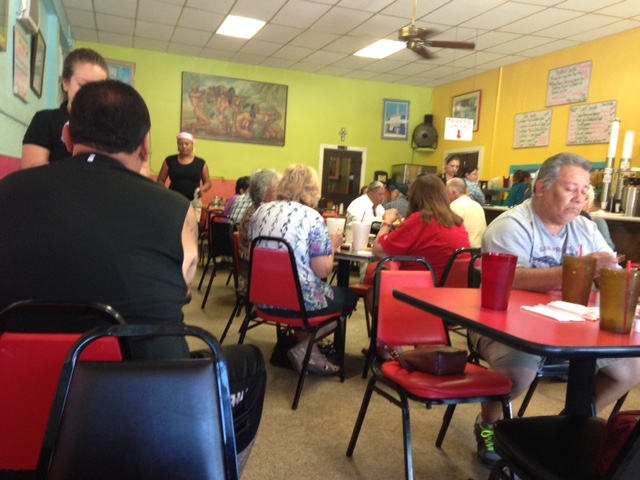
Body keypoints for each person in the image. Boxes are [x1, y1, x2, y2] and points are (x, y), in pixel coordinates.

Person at [1, 80, 265, 473]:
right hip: (146, 410)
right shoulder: (176, 211)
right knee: (249, 364)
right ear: (145, 146)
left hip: (16, 398)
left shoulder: (7, 191)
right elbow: (182, 289)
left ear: (69, 136)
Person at [470, 153, 640, 467]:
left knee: (631, 368)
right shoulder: (511, 226)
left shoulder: (584, 228)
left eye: (585, 190)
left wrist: (610, 273)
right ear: (542, 188)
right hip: (505, 324)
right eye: (571, 189)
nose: (580, 198)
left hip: (570, 326)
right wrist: (580, 270)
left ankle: (569, 425)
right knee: (518, 373)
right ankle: (489, 425)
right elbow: (511, 280)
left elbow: (608, 268)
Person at [249, 164, 358, 375]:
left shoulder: (260, 211)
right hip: (298, 303)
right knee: (347, 297)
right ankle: (305, 349)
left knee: (313, 294)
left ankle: (313, 354)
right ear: (312, 189)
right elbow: (324, 270)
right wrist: (333, 246)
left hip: (262, 298)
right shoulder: (312, 217)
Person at [372, 174, 471, 283]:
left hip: (424, 289)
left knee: (376, 279)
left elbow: (378, 249)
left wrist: (387, 221)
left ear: (415, 197)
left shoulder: (421, 219)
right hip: (456, 291)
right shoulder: (457, 222)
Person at [21, 48, 109, 168]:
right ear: (66, 83)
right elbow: (31, 170)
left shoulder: (111, 125)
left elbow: (137, 172)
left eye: (98, 87)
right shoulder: (45, 120)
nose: (90, 93)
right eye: (83, 85)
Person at [237, 169, 281, 294]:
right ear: (263, 194)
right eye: (277, 191)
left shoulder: (259, 210)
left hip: (258, 271)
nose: (281, 194)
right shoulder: (259, 216)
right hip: (254, 279)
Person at [156, 132, 212, 221]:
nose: (184, 146)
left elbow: (208, 183)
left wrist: (202, 189)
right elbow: (160, 180)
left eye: (187, 144)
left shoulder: (201, 163)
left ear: (192, 145)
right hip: (173, 201)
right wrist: (166, 193)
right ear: (177, 146)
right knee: (174, 226)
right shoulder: (169, 161)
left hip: (194, 203)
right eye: (180, 144)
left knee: (191, 229)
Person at [446, 177, 487, 248]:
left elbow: (449, 234)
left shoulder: (453, 206)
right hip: (479, 252)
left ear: (454, 193)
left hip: (463, 251)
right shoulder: (478, 205)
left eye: (447, 193)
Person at [582, 185, 615, 251]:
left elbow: (609, 247)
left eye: (585, 198)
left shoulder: (597, 222)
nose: (579, 200)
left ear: (590, 203)